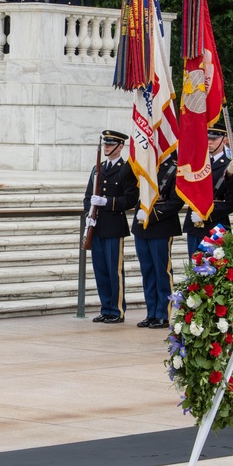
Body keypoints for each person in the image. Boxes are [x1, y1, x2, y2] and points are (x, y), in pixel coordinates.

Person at [83, 130, 138, 324]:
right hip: (97, 227)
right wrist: (88, 215)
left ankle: (117, 310)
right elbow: (88, 196)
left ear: (120, 147)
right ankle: (105, 308)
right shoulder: (97, 169)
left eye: (110, 144)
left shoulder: (126, 169)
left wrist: (107, 202)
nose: (106, 147)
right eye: (105, 144)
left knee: (115, 270)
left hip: (114, 226)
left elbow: (131, 199)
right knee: (101, 270)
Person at [131, 153, 182, 329]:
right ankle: (151, 313)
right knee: (148, 272)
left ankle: (163, 314)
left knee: (162, 271)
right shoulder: (147, 165)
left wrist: (151, 215)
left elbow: (176, 201)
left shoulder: (175, 168)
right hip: (142, 226)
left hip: (161, 226)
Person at [183, 119, 233, 256]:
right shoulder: (198, 163)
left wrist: (205, 214)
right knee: (194, 269)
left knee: (212, 270)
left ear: (224, 140)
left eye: (214, 139)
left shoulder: (230, 165)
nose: (209, 142)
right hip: (194, 224)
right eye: (207, 138)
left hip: (216, 226)